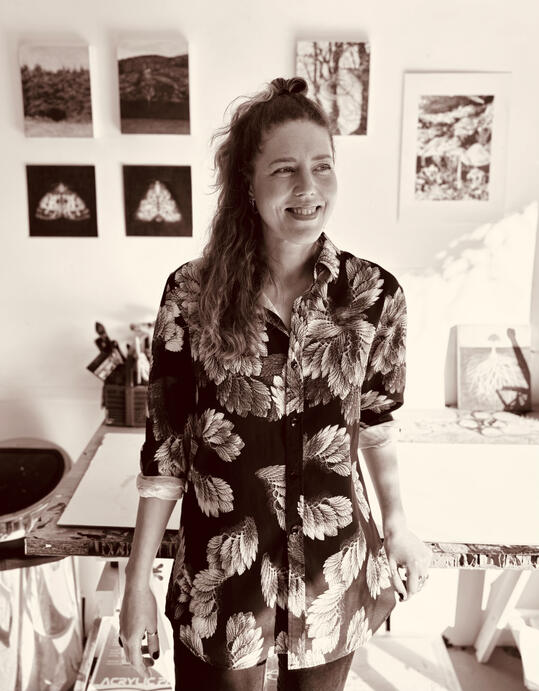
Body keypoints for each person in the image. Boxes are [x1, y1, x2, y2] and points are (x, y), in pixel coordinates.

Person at [119, 76, 432, 691]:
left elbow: (374, 420)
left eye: (322, 166)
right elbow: (165, 453)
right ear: (248, 183)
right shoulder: (191, 296)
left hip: (331, 580)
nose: (307, 188)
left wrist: (397, 524)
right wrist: (136, 585)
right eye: (285, 169)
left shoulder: (374, 295)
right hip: (219, 583)